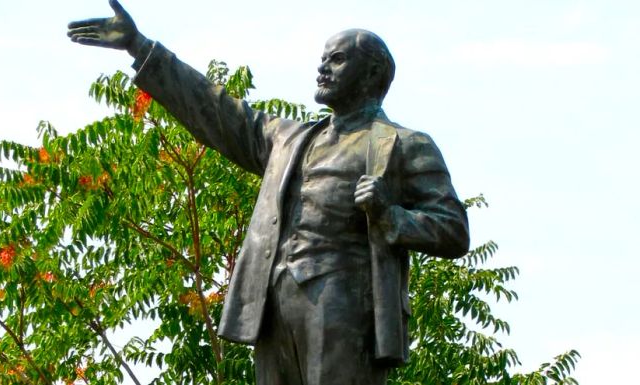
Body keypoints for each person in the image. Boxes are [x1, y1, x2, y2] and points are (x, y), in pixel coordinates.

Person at [68, 1, 470, 384]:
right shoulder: (288, 138)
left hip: (345, 304)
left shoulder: (402, 143)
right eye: (323, 58)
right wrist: (140, 47)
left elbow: (453, 229)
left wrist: (391, 215)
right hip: (273, 302)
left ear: (371, 74)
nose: (322, 67)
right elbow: (217, 109)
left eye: (337, 59)